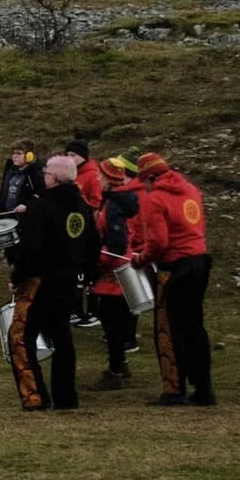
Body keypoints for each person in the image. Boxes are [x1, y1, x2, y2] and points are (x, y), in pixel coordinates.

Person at [3, 153, 100, 411]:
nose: (44, 175)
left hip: (39, 281)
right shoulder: (82, 207)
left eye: (46, 172)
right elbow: (93, 246)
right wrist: (88, 275)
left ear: (54, 178)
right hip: (67, 282)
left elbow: (31, 247)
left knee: (21, 337)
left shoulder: (42, 206)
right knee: (62, 338)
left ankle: (35, 396)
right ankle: (66, 397)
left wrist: (17, 277)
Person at [136, 151, 215, 406]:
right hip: (200, 262)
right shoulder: (191, 190)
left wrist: (141, 258)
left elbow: (158, 242)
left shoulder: (154, 200)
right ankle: (203, 388)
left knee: (172, 330)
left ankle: (175, 389)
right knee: (196, 327)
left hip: (175, 267)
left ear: (149, 178)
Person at [88, 159, 144, 390]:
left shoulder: (113, 206)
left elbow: (117, 243)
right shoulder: (120, 202)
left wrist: (97, 259)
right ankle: (121, 363)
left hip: (114, 271)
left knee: (110, 321)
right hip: (121, 269)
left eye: (101, 176)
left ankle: (115, 370)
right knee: (114, 319)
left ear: (109, 180)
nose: (97, 179)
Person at [63, 138, 104, 328]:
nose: (69, 158)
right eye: (67, 155)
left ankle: (88, 311)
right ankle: (74, 309)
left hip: (86, 227)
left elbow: (96, 202)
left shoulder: (91, 175)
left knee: (84, 271)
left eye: (73, 155)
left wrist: (77, 198)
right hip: (72, 226)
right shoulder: (72, 173)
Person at [0, 140, 41, 218]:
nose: (14, 156)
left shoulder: (35, 173)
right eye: (14, 153)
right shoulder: (10, 170)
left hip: (24, 218)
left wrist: (26, 205)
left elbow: (40, 193)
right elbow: (4, 189)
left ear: (29, 156)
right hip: (7, 215)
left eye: (18, 153)